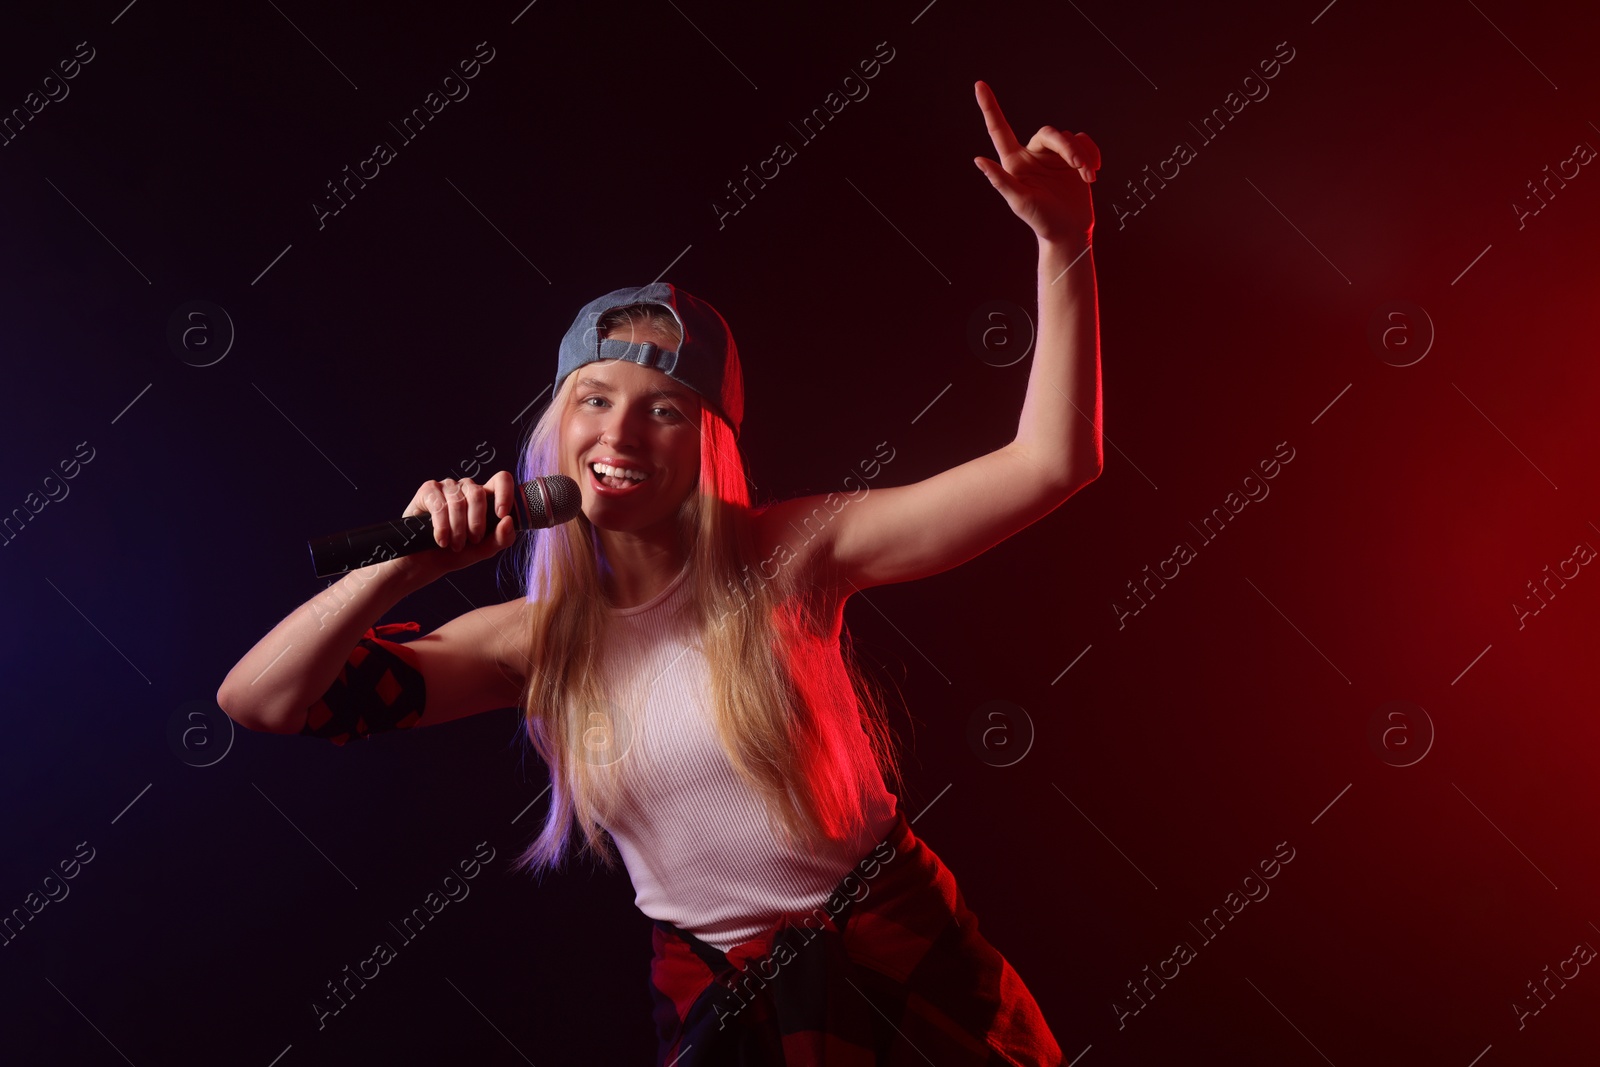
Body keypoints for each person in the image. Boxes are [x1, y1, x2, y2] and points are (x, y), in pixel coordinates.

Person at [218, 79, 1102, 1066]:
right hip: (723, 1007)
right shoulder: (533, 639)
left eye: (664, 407)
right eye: (594, 397)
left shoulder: (791, 553)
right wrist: (399, 568)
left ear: (707, 443)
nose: (621, 431)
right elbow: (262, 700)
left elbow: (1049, 466)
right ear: (557, 426)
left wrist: (1062, 246)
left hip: (901, 963)